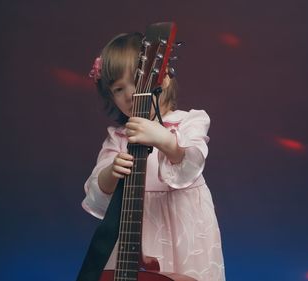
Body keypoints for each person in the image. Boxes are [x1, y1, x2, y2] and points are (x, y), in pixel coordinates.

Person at [82, 32, 225, 281]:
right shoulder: (119, 137)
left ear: (163, 79)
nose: (129, 95)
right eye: (118, 89)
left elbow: (191, 162)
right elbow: (98, 193)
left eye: (137, 83)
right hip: (135, 230)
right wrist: (111, 172)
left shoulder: (190, 121)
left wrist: (163, 139)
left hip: (184, 229)